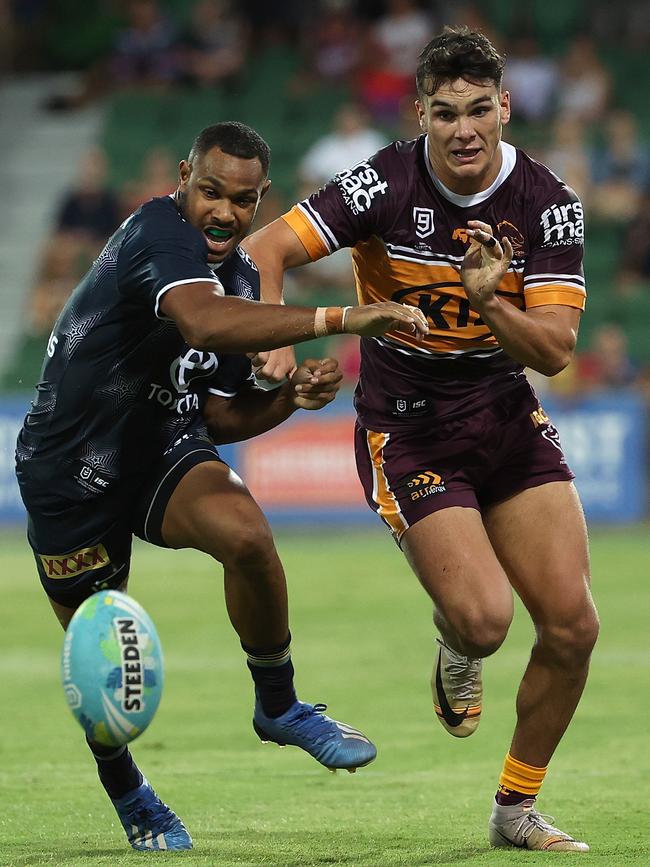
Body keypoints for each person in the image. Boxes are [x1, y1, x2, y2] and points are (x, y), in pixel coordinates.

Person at [14, 121, 428, 852]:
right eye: (209, 191)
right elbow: (202, 326)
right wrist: (343, 318)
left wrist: (289, 397)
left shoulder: (239, 280)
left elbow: (217, 410)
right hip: (65, 471)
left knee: (247, 535)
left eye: (241, 200)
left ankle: (280, 704)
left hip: (158, 448)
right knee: (103, 663)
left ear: (260, 200)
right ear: (183, 178)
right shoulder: (156, 232)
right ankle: (131, 793)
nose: (222, 212)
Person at [242, 27, 599, 853]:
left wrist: (489, 300)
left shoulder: (549, 203)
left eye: (481, 109)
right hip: (409, 427)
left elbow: (553, 349)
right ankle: (454, 643)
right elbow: (266, 249)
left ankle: (515, 810)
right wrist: (274, 338)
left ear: (506, 106)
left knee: (574, 627)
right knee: (482, 623)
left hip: (505, 412)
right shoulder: (380, 184)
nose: (465, 128)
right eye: (447, 112)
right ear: (422, 114)